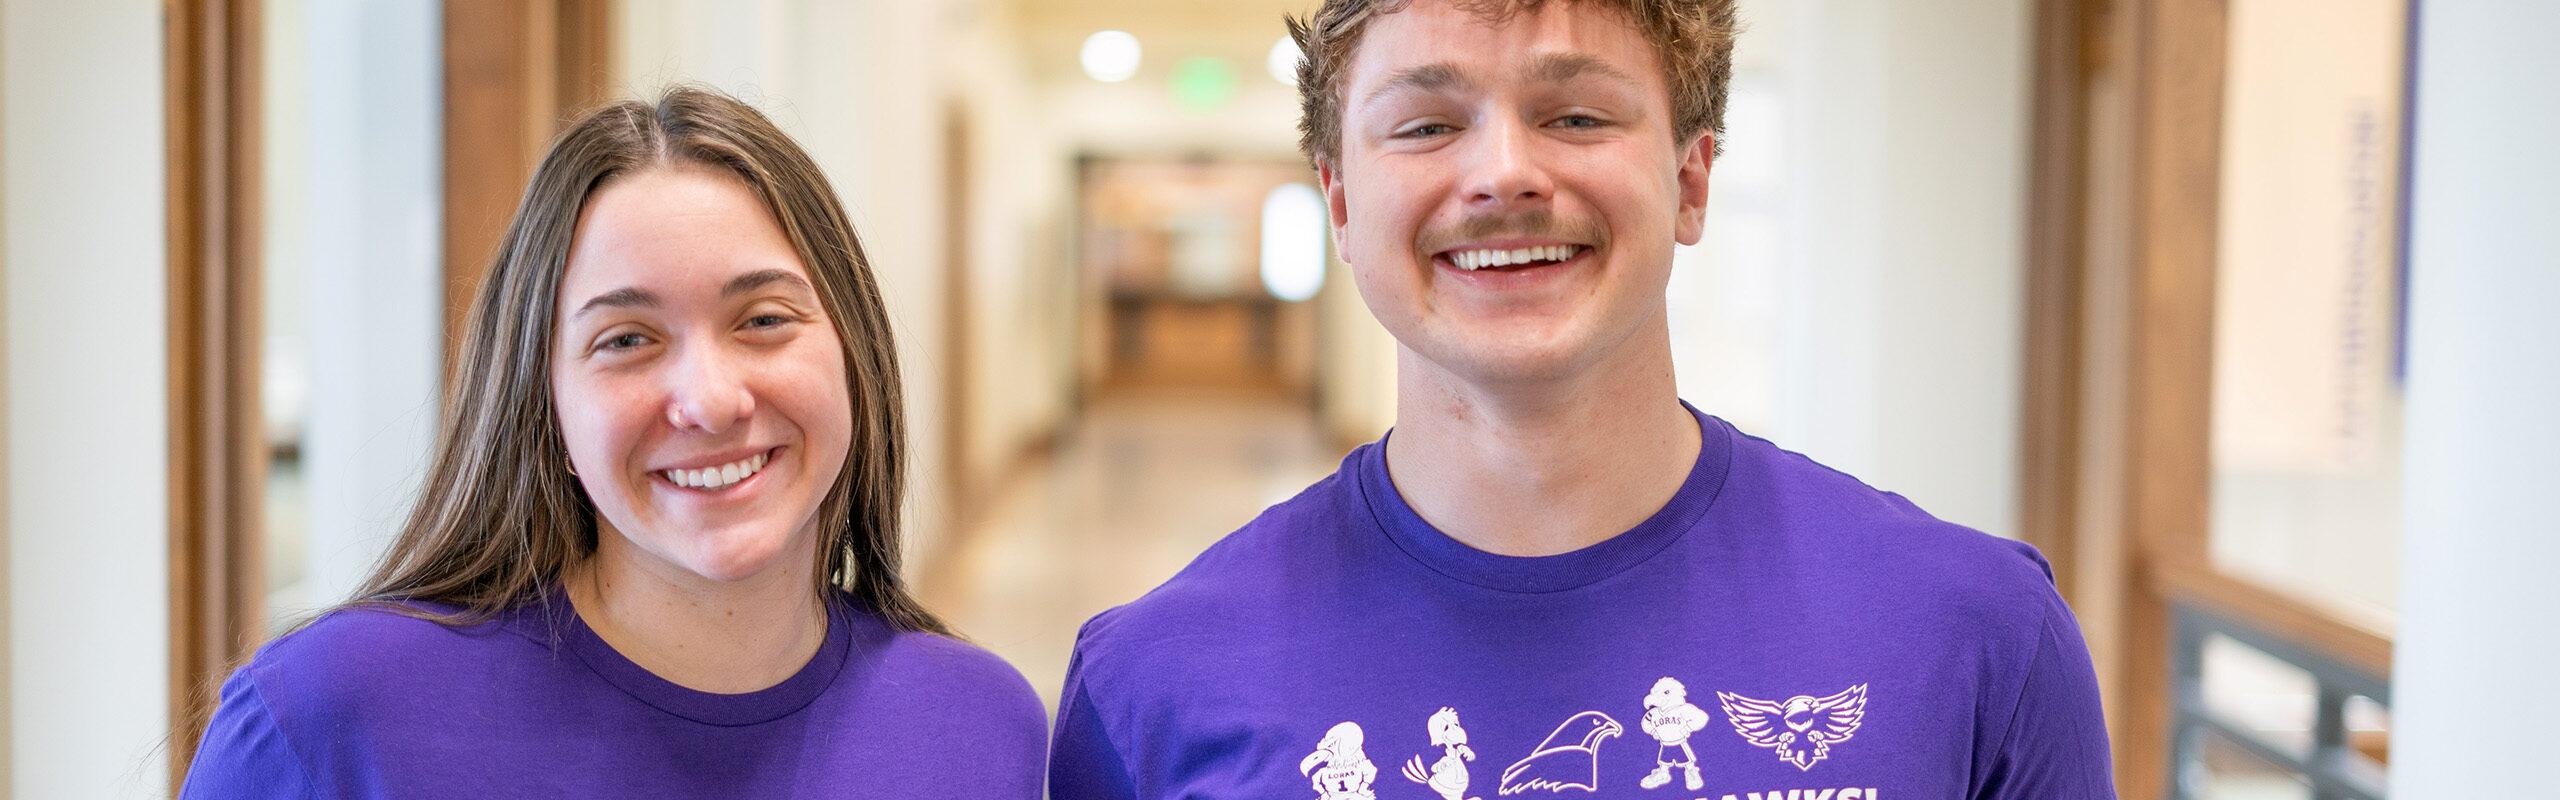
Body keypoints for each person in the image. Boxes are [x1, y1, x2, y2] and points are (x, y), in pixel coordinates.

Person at [1047, 1, 2116, 798]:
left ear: (1691, 180)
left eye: (1574, 114)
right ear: (1338, 196)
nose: (1503, 172)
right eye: (1424, 126)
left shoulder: (1973, 636)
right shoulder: (1152, 685)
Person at [181, 86, 1046, 798]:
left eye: (764, 319)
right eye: (626, 339)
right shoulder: (330, 719)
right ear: (545, 406)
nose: (709, 401)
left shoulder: (980, 726)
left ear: (853, 354)